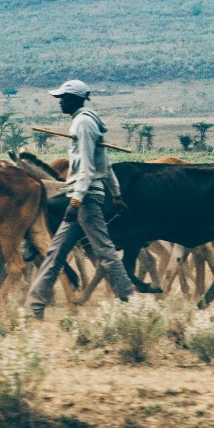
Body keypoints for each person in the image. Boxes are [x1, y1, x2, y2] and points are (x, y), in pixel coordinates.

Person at [25, 78, 137, 317]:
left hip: (84, 200)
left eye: (63, 98)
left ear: (75, 99)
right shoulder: (88, 122)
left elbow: (86, 168)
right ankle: (35, 306)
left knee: (105, 252)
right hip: (86, 197)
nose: (60, 102)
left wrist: (75, 202)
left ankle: (132, 302)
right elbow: (105, 166)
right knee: (55, 252)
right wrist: (116, 195)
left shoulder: (83, 124)